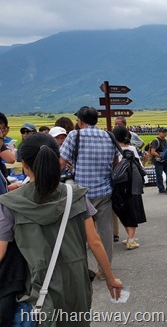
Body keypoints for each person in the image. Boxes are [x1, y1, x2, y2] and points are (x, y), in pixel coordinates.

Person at [0, 133, 122, 324]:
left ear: (24, 165)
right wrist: (110, 278)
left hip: (36, 285)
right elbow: (95, 241)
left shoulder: (10, 203)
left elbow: (1, 251)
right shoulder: (75, 195)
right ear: (55, 159)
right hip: (76, 283)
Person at [59, 106, 119, 278]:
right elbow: (115, 161)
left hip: (81, 194)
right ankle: (104, 270)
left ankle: (79, 270)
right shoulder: (109, 135)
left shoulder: (74, 135)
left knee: (79, 233)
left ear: (80, 121)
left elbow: (62, 162)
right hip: (104, 191)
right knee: (105, 231)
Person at [111, 125, 147, 250]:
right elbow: (139, 165)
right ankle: (131, 239)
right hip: (131, 184)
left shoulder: (112, 149)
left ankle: (129, 237)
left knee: (121, 211)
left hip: (117, 185)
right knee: (131, 211)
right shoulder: (131, 148)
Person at [149, 127, 167, 194]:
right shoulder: (156, 141)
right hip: (158, 161)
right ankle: (161, 189)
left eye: (165, 132)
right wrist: (161, 156)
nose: (164, 134)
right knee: (159, 175)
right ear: (159, 132)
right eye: (163, 132)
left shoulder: (166, 140)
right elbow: (153, 151)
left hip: (166, 160)